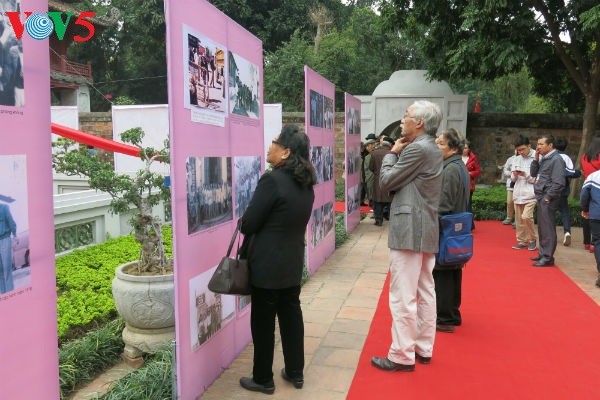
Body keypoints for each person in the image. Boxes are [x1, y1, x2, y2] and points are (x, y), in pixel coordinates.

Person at [238, 124, 316, 394]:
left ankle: (263, 378)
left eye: (274, 142)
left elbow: (248, 224)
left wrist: (246, 217)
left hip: (267, 265)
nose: (269, 146)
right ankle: (295, 372)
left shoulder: (271, 180)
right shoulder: (306, 183)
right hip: (291, 262)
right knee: (291, 317)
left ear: (286, 152)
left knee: (263, 323)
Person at [371, 100, 443, 372]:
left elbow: (386, 180)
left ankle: (401, 354)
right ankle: (423, 348)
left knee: (403, 294)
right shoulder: (431, 148)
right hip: (424, 227)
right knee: (425, 289)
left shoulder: (417, 149)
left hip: (410, 227)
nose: (403, 120)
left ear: (420, 123)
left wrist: (392, 152)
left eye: (407, 116)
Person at [433, 128, 469, 333]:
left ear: (453, 148)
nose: (436, 146)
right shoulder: (457, 166)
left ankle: (444, 318)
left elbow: (443, 204)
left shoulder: (450, 169)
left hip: (446, 227)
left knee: (443, 272)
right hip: (457, 226)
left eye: (440, 143)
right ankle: (452, 314)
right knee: (453, 271)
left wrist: (433, 225)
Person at [530, 134, 565, 267]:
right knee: (542, 227)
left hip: (547, 197)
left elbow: (559, 183)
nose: (538, 147)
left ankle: (547, 257)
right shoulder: (545, 159)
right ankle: (543, 253)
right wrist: (535, 159)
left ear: (550, 145)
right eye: (537, 144)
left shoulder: (556, 160)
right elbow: (534, 173)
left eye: (541, 144)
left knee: (548, 227)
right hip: (541, 195)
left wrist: (548, 197)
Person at [510, 135, 538, 251]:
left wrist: (525, 175)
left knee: (526, 217)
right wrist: (515, 175)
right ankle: (522, 240)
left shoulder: (537, 158)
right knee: (519, 219)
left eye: (523, 149)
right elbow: (512, 179)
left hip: (531, 194)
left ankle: (532, 239)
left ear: (529, 146)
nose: (521, 152)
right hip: (518, 193)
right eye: (518, 150)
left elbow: (537, 180)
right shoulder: (516, 159)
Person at [554, 137, 581, 246]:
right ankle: (567, 232)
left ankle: (551, 235)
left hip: (550, 189)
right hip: (563, 188)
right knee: (564, 212)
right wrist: (578, 172)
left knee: (550, 212)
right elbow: (571, 172)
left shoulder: (551, 156)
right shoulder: (566, 158)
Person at [579, 170, 600, 287]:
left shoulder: (593, 176)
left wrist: (585, 208)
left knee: (598, 242)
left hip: (597, 215)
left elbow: (584, 195)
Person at [369, 136, 394, 226]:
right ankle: (391, 219)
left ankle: (379, 220)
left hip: (378, 179)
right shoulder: (393, 153)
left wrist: (377, 173)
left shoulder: (374, 153)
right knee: (390, 199)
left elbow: (370, 167)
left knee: (378, 200)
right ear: (390, 145)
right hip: (390, 178)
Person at [581, 136, 600, 252]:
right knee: (597, 215)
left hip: (587, 185)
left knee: (586, 213)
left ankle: (587, 242)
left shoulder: (584, 156)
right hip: (598, 186)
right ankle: (594, 243)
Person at [461, 139, 480, 230]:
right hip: (458, 184)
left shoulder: (473, 158)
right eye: (463, 148)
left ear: (469, 149)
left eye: (466, 148)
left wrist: (470, 173)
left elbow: (477, 171)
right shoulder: (456, 157)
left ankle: (469, 225)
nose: (464, 150)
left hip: (469, 185)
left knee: (468, 205)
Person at [0, 201, 17, 294]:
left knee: (7, 269)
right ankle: (3, 297)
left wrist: (15, 235)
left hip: (5, 239)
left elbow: (11, 222)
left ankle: (10, 295)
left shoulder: (4, 207)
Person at [501, 150, 518, 226]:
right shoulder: (510, 159)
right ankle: (509, 217)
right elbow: (505, 169)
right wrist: (511, 174)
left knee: (518, 203)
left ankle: (517, 220)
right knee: (509, 202)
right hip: (511, 183)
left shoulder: (525, 159)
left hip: (520, 183)